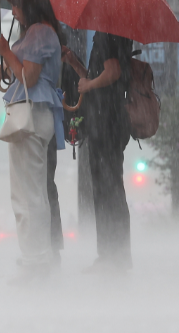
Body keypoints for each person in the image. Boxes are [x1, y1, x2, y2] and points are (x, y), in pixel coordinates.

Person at [0, 0, 65, 285]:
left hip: (31, 114)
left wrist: (6, 52)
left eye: (17, 5)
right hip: (39, 114)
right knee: (35, 191)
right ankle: (38, 256)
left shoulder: (39, 32)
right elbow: (23, 72)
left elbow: (28, 77)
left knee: (26, 193)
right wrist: (7, 61)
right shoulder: (42, 32)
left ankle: (35, 259)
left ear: (30, 6)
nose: (13, 11)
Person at [62, 31, 133, 274]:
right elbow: (98, 76)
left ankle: (112, 256)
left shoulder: (106, 35)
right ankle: (115, 254)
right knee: (109, 188)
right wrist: (74, 63)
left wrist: (90, 84)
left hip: (106, 122)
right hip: (111, 121)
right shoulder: (115, 35)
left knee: (106, 190)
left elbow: (112, 73)